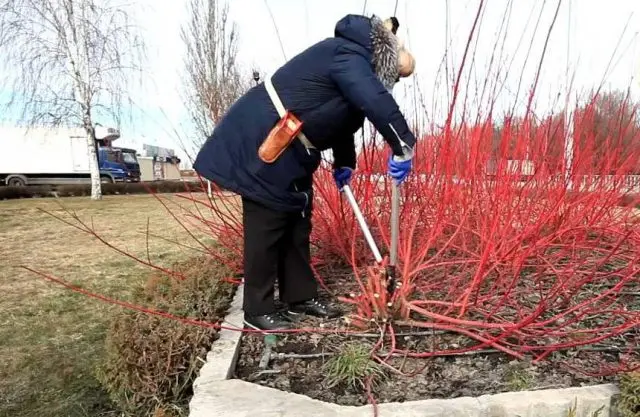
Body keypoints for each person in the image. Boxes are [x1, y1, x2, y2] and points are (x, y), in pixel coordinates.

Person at [193, 14, 417, 331]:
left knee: (297, 223)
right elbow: (372, 100)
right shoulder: (347, 53)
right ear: (386, 57)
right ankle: (257, 310)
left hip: (296, 149)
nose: (394, 81)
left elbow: (344, 120)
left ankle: (300, 296)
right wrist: (403, 142)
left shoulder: (352, 65)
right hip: (266, 138)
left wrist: (345, 164)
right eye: (396, 75)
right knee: (267, 224)